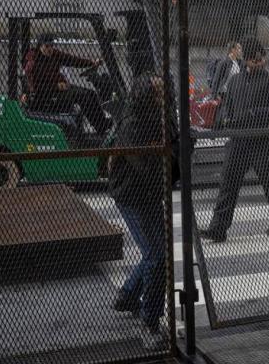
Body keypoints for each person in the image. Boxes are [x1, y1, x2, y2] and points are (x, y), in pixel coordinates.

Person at [109, 72, 178, 350]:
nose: (161, 98)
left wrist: (167, 151)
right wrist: (168, 153)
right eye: (156, 94)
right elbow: (149, 168)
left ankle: (127, 296)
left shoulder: (160, 116)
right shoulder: (133, 123)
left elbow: (169, 155)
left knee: (154, 252)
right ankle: (150, 322)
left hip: (149, 194)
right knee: (157, 256)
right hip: (132, 195)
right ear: (145, 96)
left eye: (164, 93)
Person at [200, 38, 269, 242]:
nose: (258, 63)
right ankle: (218, 228)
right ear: (246, 60)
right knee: (228, 184)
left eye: (261, 59)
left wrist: (251, 114)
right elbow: (226, 106)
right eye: (254, 60)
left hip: (261, 140)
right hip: (238, 140)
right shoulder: (234, 81)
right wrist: (224, 118)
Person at [23, 33, 112, 134]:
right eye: (47, 46)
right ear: (40, 46)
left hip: (60, 89)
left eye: (52, 45)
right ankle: (101, 127)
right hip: (45, 95)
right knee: (82, 96)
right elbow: (34, 87)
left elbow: (72, 60)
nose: (50, 49)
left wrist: (91, 62)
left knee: (90, 93)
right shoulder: (33, 63)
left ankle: (102, 124)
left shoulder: (54, 54)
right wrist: (55, 86)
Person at [210, 41, 243, 127]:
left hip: (236, 92)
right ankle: (216, 130)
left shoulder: (239, 63)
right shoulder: (224, 63)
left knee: (234, 113)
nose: (240, 50)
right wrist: (214, 94)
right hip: (225, 92)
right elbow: (216, 79)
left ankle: (231, 128)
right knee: (224, 111)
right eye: (238, 48)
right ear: (232, 50)